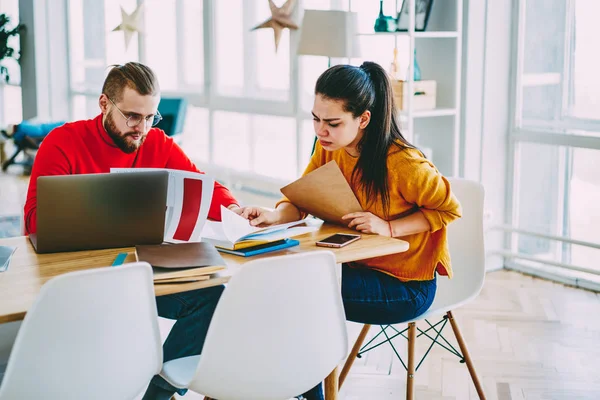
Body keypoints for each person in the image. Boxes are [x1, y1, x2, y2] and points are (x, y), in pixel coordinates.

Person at [238, 61, 462, 400]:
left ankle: (299, 392)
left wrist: (389, 227)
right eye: (315, 118)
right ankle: (282, 386)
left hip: (406, 285)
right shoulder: (329, 150)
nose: (320, 131)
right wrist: (274, 215)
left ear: (363, 119)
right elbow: (301, 200)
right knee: (287, 288)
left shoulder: (404, 164)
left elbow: (449, 209)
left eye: (332, 123)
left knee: (303, 294)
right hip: (355, 267)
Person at [23, 62, 240, 400]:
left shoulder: (156, 142)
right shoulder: (62, 142)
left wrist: (236, 209)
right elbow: (35, 223)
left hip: (139, 270)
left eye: (151, 117)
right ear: (104, 104)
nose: (142, 128)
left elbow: (204, 189)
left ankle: (157, 394)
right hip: (79, 276)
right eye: (132, 116)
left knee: (212, 297)